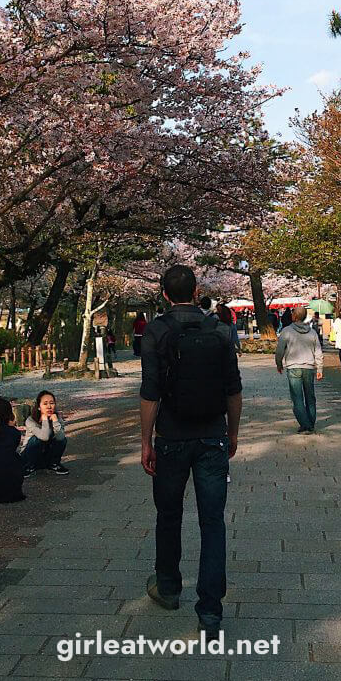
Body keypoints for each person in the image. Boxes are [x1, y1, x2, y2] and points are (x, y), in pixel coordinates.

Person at [141, 264, 242, 635]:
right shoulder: (220, 330)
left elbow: (150, 391)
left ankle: (168, 587)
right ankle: (210, 610)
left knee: (169, 514)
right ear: (196, 290)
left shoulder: (156, 331)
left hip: (170, 438)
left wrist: (145, 441)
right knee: (212, 522)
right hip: (212, 437)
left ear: (164, 293)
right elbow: (234, 389)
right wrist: (231, 434)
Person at [276, 306, 323, 433]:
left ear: (295, 316)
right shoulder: (312, 332)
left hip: (293, 367)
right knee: (310, 397)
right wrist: (319, 369)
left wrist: (279, 363)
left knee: (297, 398)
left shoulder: (286, 331)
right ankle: (310, 423)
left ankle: (305, 424)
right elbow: (318, 352)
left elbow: (279, 350)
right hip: (308, 368)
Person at [21, 390, 69, 475]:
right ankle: (29, 466)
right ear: (39, 407)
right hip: (28, 456)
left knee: (62, 439)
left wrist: (55, 422)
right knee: (36, 439)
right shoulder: (30, 420)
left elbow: (61, 438)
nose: (49, 406)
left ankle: (54, 464)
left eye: (52, 403)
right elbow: (44, 437)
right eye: (45, 404)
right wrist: (45, 420)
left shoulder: (57, 418)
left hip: (45, 455)